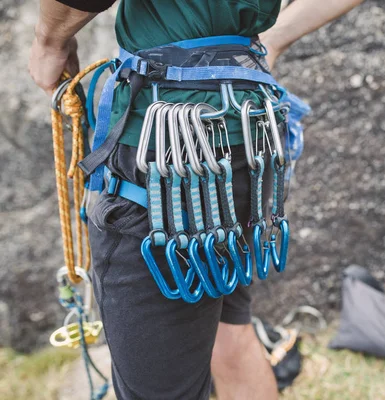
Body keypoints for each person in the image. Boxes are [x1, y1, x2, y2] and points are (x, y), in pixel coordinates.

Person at [29, 1, 363, 399]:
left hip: (164, 151)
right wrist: (265, 39)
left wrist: (48, 41)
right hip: (240, 137)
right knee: (229, 333)